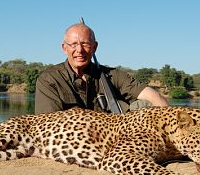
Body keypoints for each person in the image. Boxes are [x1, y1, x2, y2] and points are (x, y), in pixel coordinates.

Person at [35, 23, 168, 114]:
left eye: (85, 44)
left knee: (147, 105)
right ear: (65, 48)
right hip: (72, 143)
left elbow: (154, 97)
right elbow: (47, 124)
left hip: (114, 140)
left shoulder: (114, 75)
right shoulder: (49, 79)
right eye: (73, 44)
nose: (79, 50)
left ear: (94, 47)